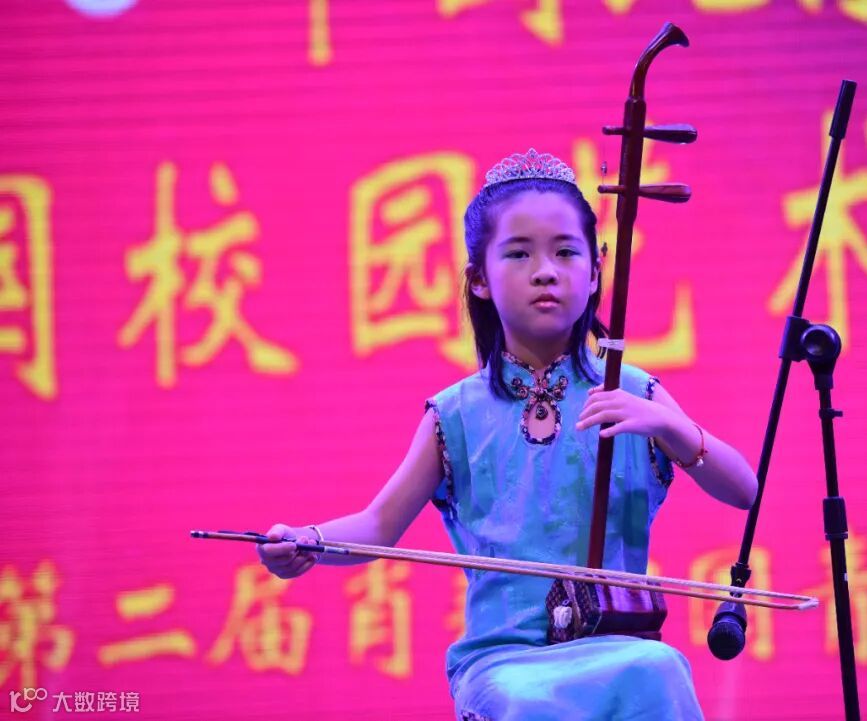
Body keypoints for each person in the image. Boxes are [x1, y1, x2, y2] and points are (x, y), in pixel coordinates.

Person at [258, 149, 758, 720]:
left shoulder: (632, 392)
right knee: (524, 701)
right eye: (519, 254)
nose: (545, 271)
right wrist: (308, 540)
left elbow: (744, 490)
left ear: (596, 270)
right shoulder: (455, 414)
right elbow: (378, 526)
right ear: (479, 279)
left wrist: (671, 426)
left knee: (660, 668)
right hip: (504, 662)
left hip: (616, 646)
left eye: (565, 252)